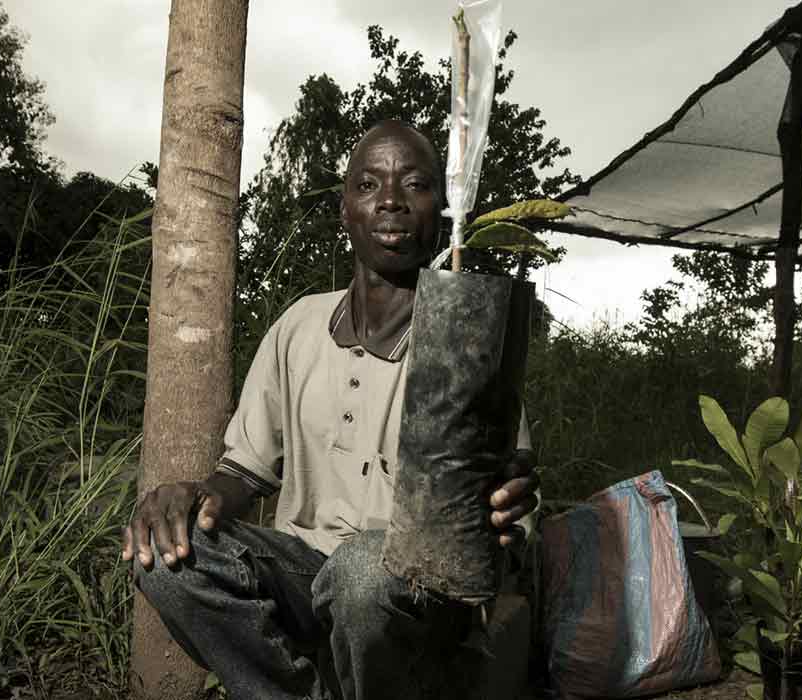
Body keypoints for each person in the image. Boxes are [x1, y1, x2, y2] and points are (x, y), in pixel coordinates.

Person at [121, 120, 540, 700]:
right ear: (345, 210)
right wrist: (199, 494)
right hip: (306, 568)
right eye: (369, 185)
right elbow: (245, 471)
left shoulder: (468, 340)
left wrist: (501, 509)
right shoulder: (298, 326)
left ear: (440, 210)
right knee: (165, 558)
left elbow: (507, 507)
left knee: (364, 573)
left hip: (415, 588)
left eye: (414, 185)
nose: (390, 200)